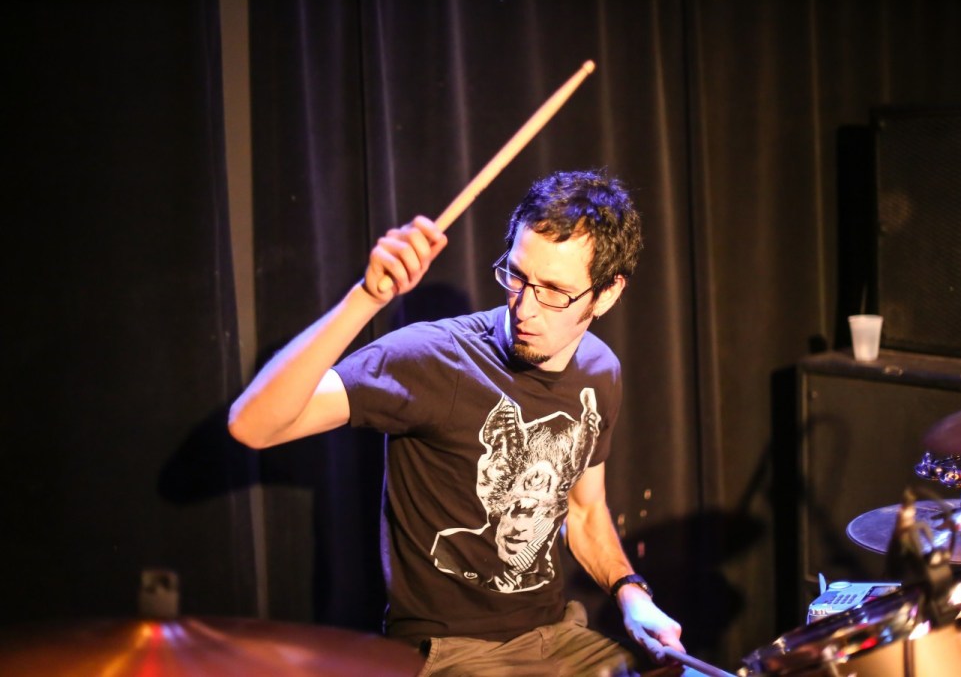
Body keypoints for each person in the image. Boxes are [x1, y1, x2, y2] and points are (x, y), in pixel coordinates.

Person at [228, 169, 685, 675]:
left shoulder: (600, 370)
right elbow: (253, 426)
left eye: (555, 290)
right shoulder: (434, 358)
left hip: (559, 638)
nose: (525, 308)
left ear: (608, 294)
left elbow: (583, 511)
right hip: (451, 652)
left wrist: (631, 594)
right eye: (517, 276)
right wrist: (366, 297)